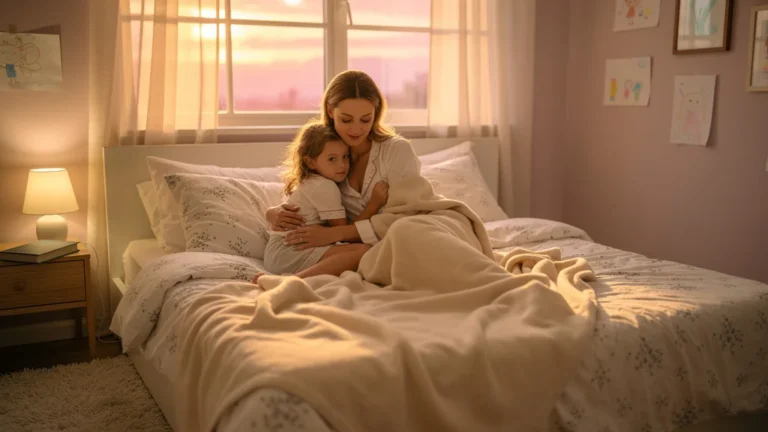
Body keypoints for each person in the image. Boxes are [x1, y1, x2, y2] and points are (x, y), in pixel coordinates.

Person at [264, 70, 422, 251]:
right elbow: (305, 197)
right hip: (363, 249)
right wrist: (272, 213)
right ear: (330, 111)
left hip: (408, 235)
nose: (356, 129)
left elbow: (406, 216)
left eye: (365, 119)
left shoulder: (396, 150)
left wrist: (335, 234)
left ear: (376, 113)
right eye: (346, 120)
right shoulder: (324, 154)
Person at [253, 122, 389, 284]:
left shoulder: (310, 181)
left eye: (345, 156)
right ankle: (291, 282)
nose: (342, 165)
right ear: (311, 162)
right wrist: (374, 204)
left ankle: (289, 280)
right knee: (364, 251)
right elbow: (344, 231)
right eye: (332, 159)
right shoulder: (325, 186)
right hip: (288, 251)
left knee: (361, 252)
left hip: (280, 250)